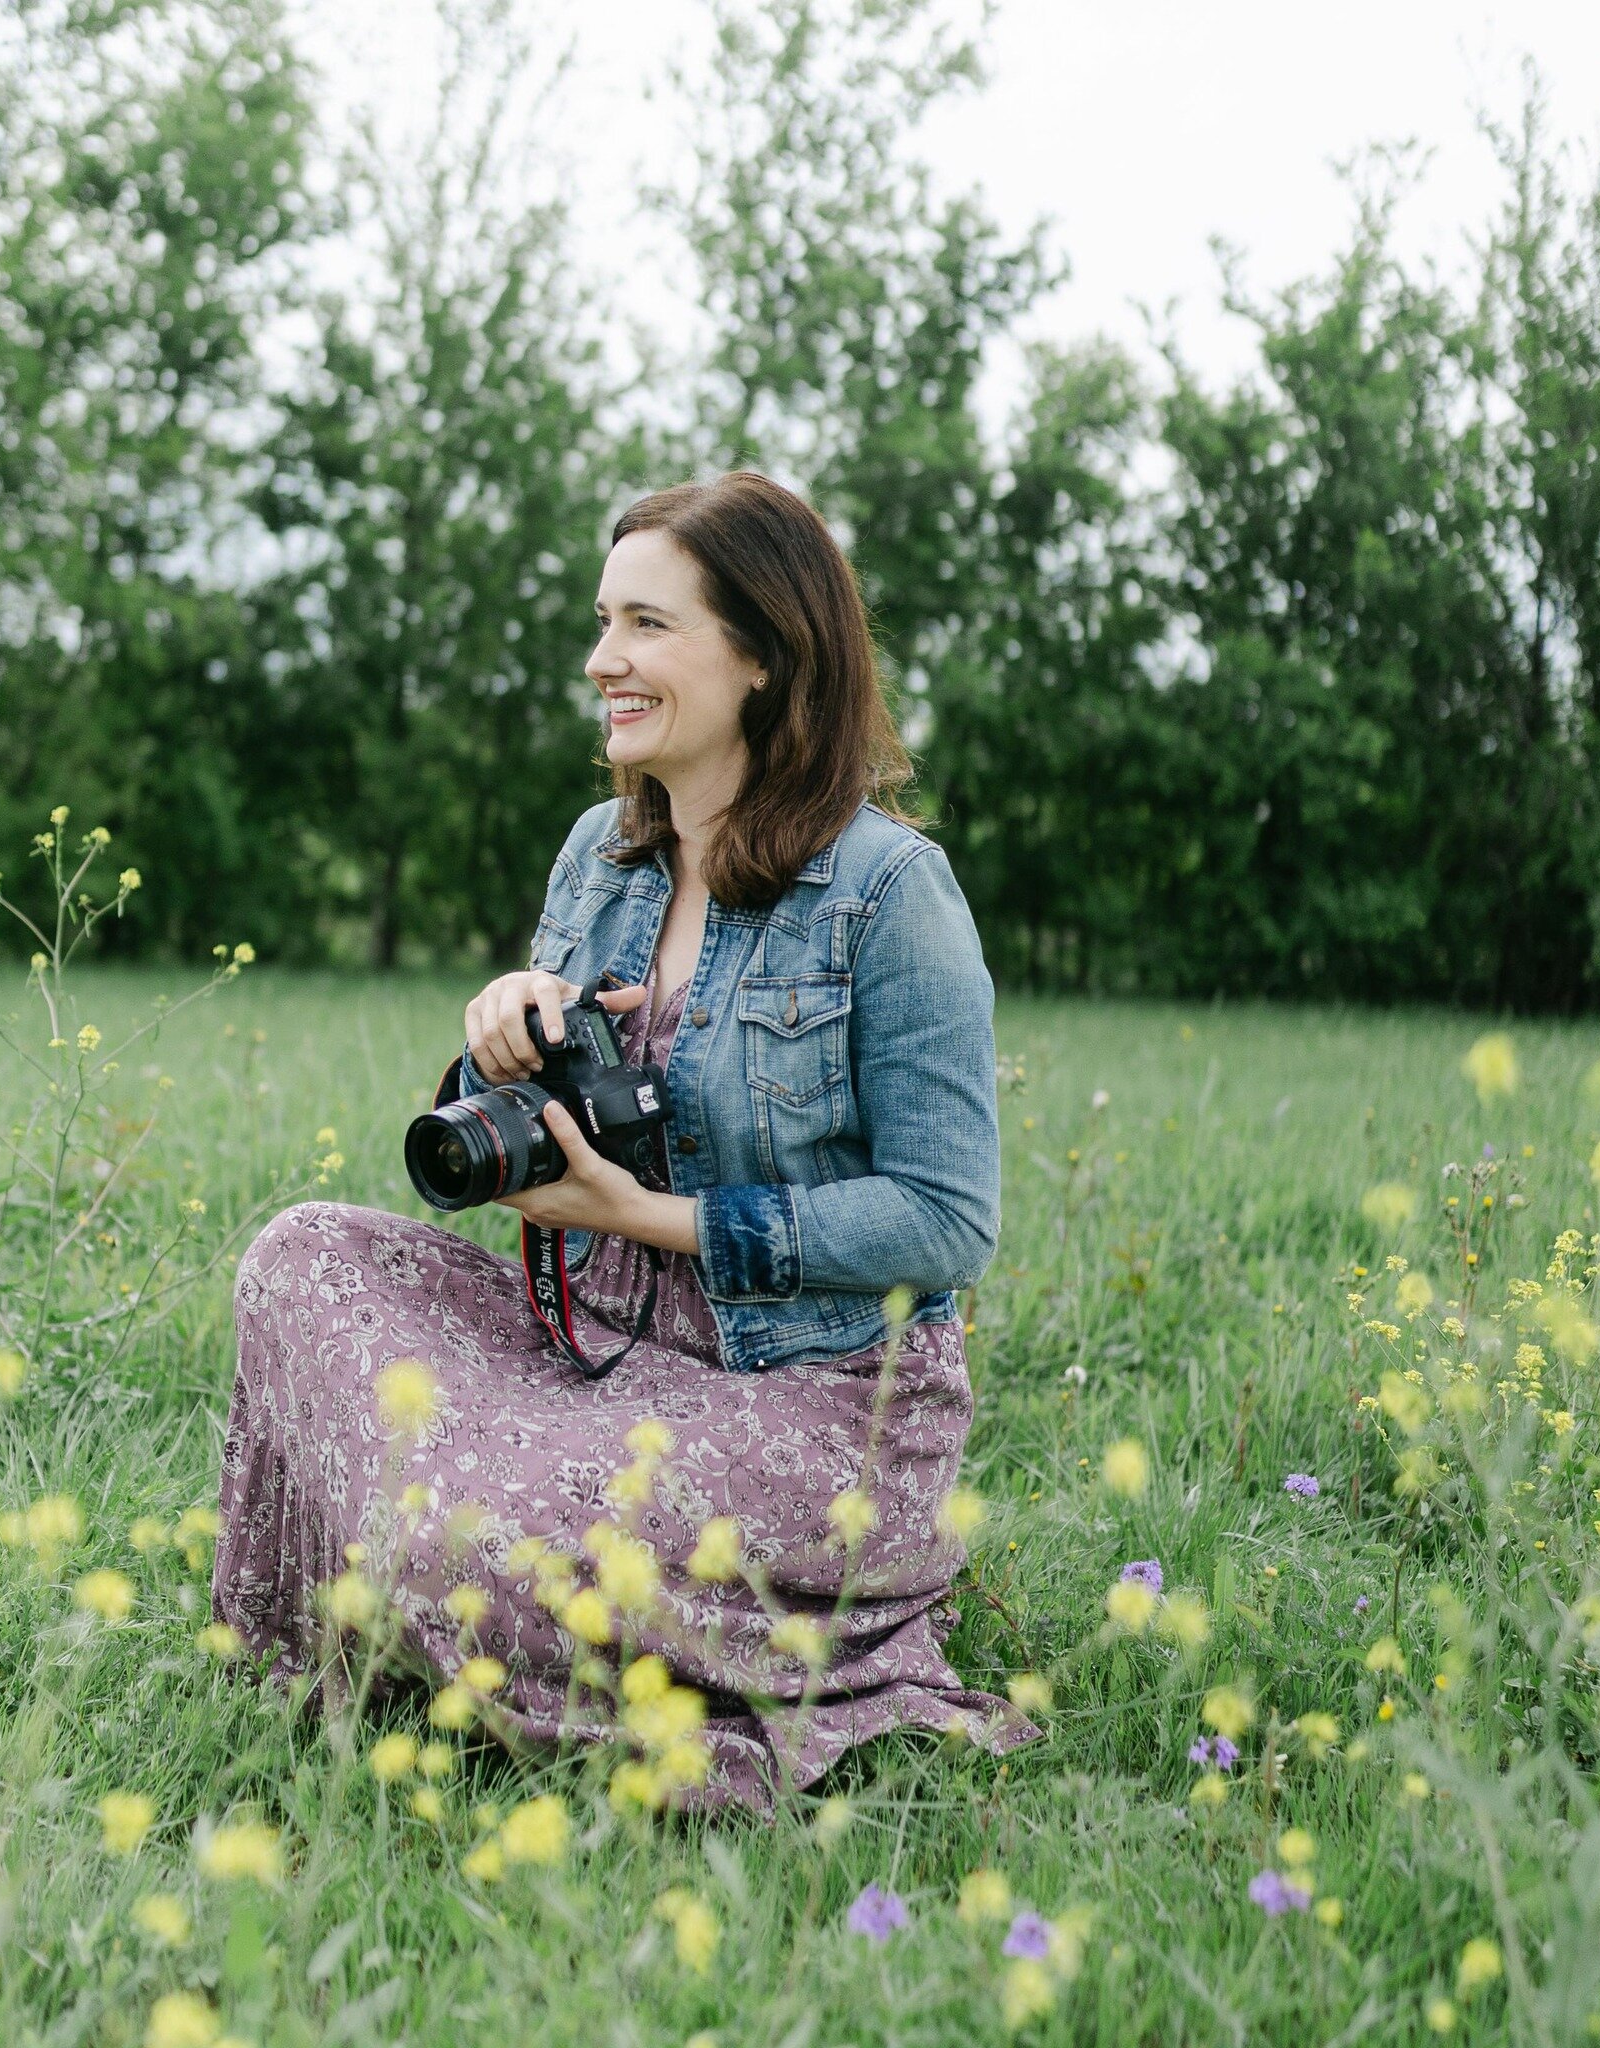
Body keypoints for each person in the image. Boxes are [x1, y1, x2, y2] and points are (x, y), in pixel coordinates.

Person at [211, 470, 1037, 1813]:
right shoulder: (603, 853)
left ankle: (633, 1674)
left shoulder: (891, 893)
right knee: (301, 1254)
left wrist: (652, 1220)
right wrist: (501, 1040)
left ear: (765, 656)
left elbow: (949, 1223)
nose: (604, 661)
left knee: (455, 1538)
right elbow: (562, 1133)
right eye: (604, 623)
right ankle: (315, 1666)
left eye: (646, 626)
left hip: (805, 1401)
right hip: (589, 1344)